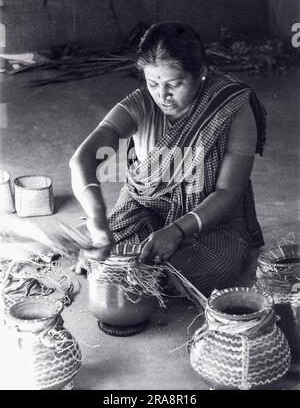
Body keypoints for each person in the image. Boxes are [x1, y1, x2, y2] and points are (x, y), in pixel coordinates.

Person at [69, 21, 266, 296]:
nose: (162, 95)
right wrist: (98, 222)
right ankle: (137, 275)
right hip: (145, 207)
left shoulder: (230, 108)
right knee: (110, 256)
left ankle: (152, 280)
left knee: (212, 268)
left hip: (210, 218)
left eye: (174, 84)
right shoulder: (141, 103)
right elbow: (83, 159)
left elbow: (228, 192)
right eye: (153, 83)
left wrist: (176, 232)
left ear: (202, 73)